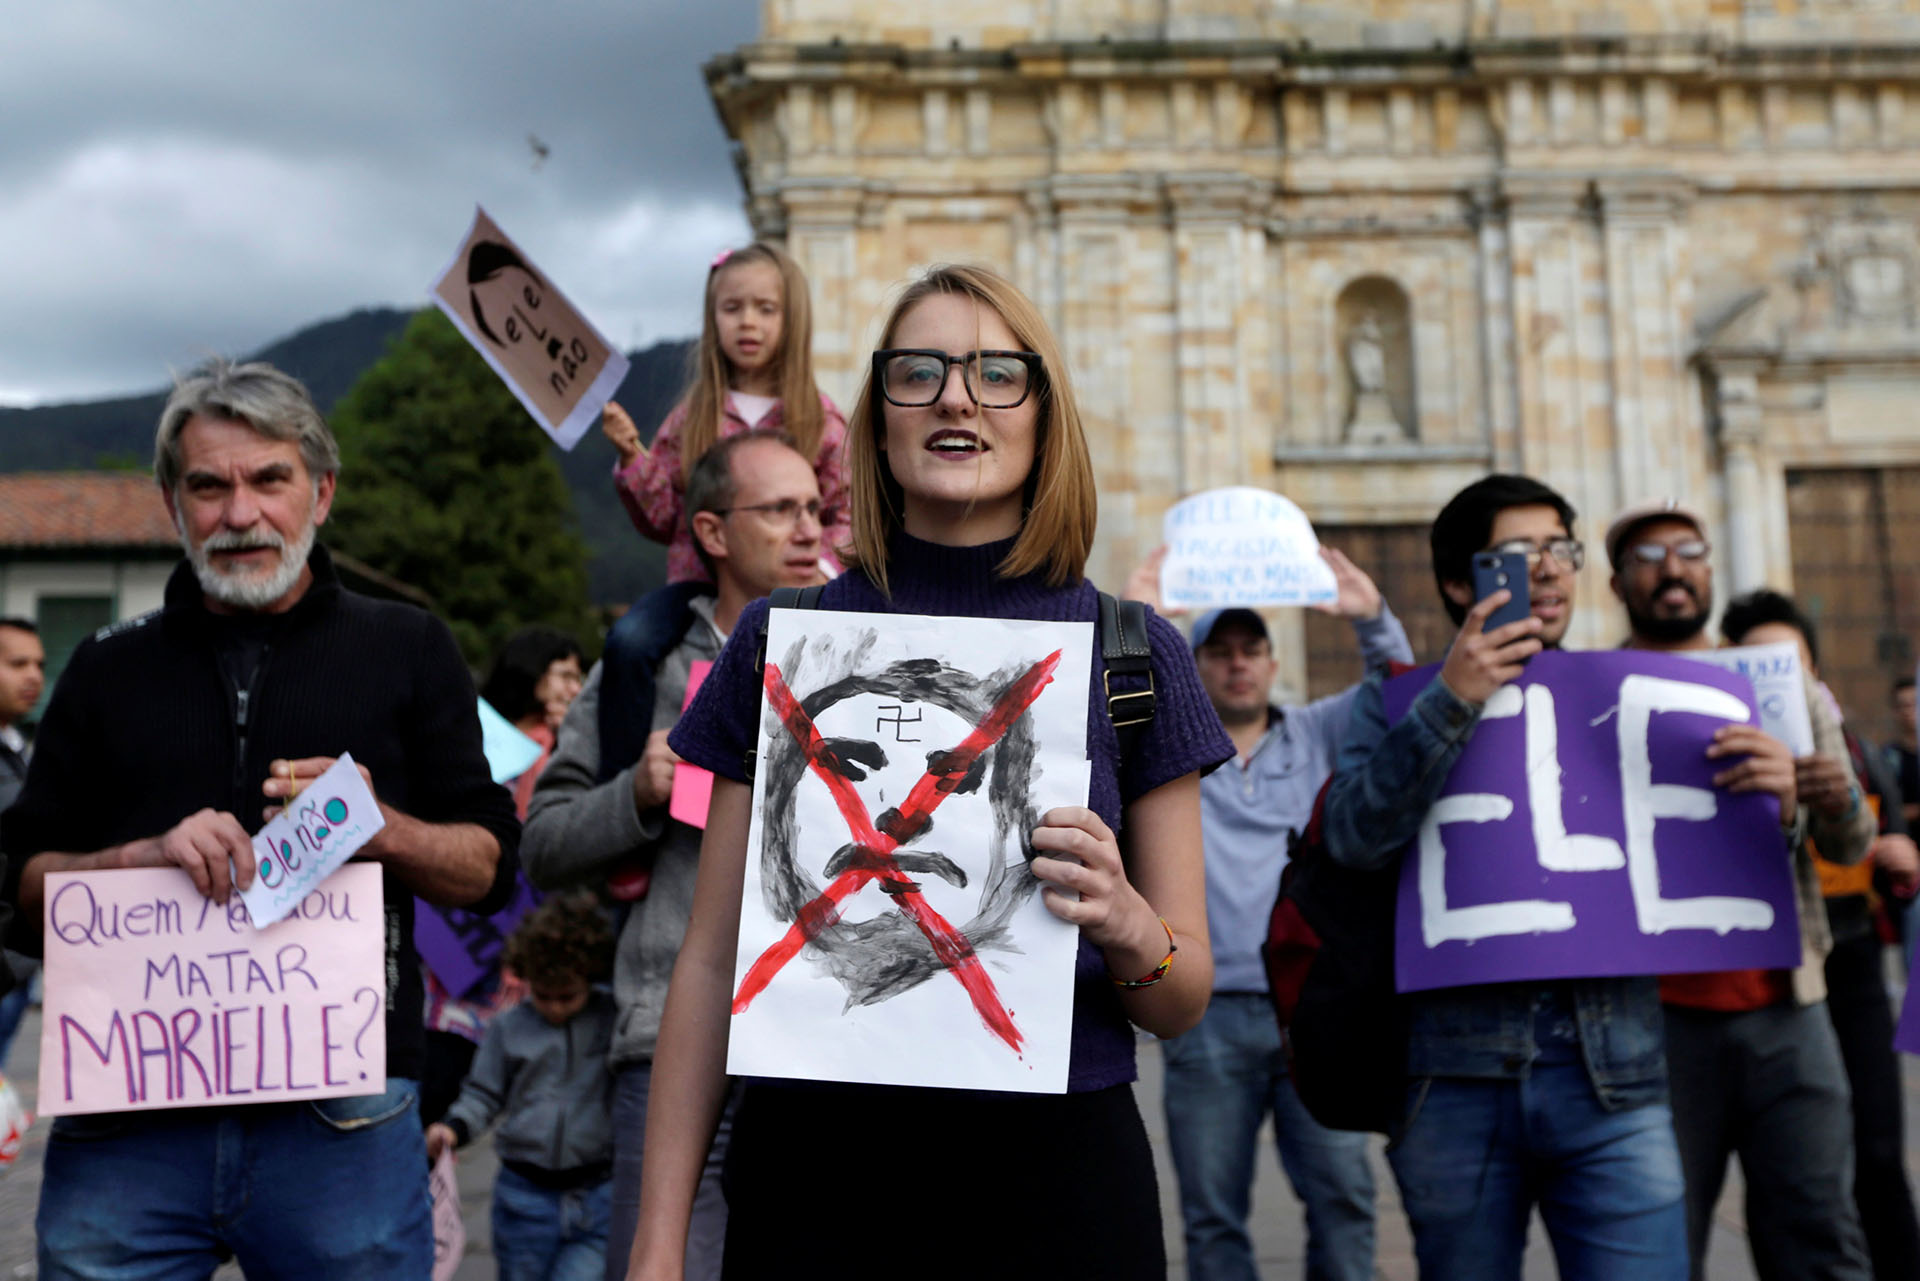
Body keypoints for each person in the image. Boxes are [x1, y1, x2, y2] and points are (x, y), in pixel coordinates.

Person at [626, 264, 1233, 1281]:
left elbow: (1181, 996)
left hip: (1058, 1181)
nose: (956, 395)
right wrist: (658, 1238)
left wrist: (1130, 923)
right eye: (920, 372)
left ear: (1045, 418)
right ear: (878, 422)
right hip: (815, 1172)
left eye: (998, 373)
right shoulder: (783, 639)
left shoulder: (1133, 653)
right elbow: (708, 958)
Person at [0, 357, 520, 1279]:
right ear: (172, 504)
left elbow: (487, 868)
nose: (240, 514)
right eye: (209, 485)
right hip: (128, 1116)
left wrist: (379, 828)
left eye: (268, 479)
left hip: (344, 1118)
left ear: (320, 491)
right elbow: (22, 889)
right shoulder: (103, 669)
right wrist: (137, 856)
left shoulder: (408, 645)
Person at [1320, 474, 1688, 1280]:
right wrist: (1452, 699)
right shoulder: (1394, 704)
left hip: (1615, 1079)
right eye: (1523, 554)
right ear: (1461, 582)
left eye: (1562, 549)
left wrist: (1787, 803)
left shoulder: (1627, 697)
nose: (1551, 570)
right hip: (1455, 1083)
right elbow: (1353, 839)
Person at [522, 428, 829, 1281]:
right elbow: (541, 844)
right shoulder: (644, 665)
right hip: (668, 1035)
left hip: (824, 1040)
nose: (808, 530)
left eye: (815, 508)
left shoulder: (867, 652)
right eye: (779, 510)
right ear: (712, 532)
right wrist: (637, 792)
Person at [1605, 499, 1875, 1281]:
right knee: (1661, 1245)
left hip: (1788, 1006)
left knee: (1818, 1231)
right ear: (1620, 585)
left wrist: (1821, 798)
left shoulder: (1782, 684)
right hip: (1653, 1021)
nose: (1672, 567)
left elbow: (1849, 843)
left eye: (1688, 549)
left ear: (1710, 570)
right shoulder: (1586, 693)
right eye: (1648, 555)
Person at [1145, 558, 1410, 1281]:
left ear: (1272, 660)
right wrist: (1138, 618)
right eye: (1220, 652)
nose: (1237, 665)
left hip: (1315, 1010)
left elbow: (1401, 696)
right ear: (1193, 665)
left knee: (1344, 1195)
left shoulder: (1319, 732)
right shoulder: (1170, 750)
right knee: (1211, 1211)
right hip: (1206, 1017)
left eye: (1249, 650)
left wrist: (1369, 611)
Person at [1718, 587, 1919, 1280]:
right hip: (1775, 975)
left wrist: (1900, 855)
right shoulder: (1711, 754)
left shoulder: (1857, 755)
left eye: (1789, 658)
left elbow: (1885, 836)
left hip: (1854, 962)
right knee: (1795, 1174)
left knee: (1879, 1149)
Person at [596, 243, 848, 778]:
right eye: (732, 309)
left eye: (765, 308)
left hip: (798, 594)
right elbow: (664, 516)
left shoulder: (820, 417)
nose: (748, 323)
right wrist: (629, 457)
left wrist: (818, 569)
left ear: (791, 319)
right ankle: (619, 778)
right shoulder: (692, 417)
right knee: (629, 640)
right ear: (713, 320)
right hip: (698, 589)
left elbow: (845, 511)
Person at [418, 624, 585, 1125]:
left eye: (579, 678)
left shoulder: (565, 743)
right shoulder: (474, 736)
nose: (574, 688)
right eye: (563, 675)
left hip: (504, 936)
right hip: (459, 933)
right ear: (530, 674)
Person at [428, 892, 619, 1281]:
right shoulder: (509, 1027)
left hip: (596, 1193)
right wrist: (454, 1127)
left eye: (567, 997)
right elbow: (483, 1093)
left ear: (590, 975)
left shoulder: (610, 1017)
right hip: (524, 1197)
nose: (555, 1008)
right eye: (543, 996)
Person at [0, 617, 45, 1065]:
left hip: (18, 967)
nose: (34, 676)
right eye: (18, 663)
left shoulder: (22, 750)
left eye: (39, 664)